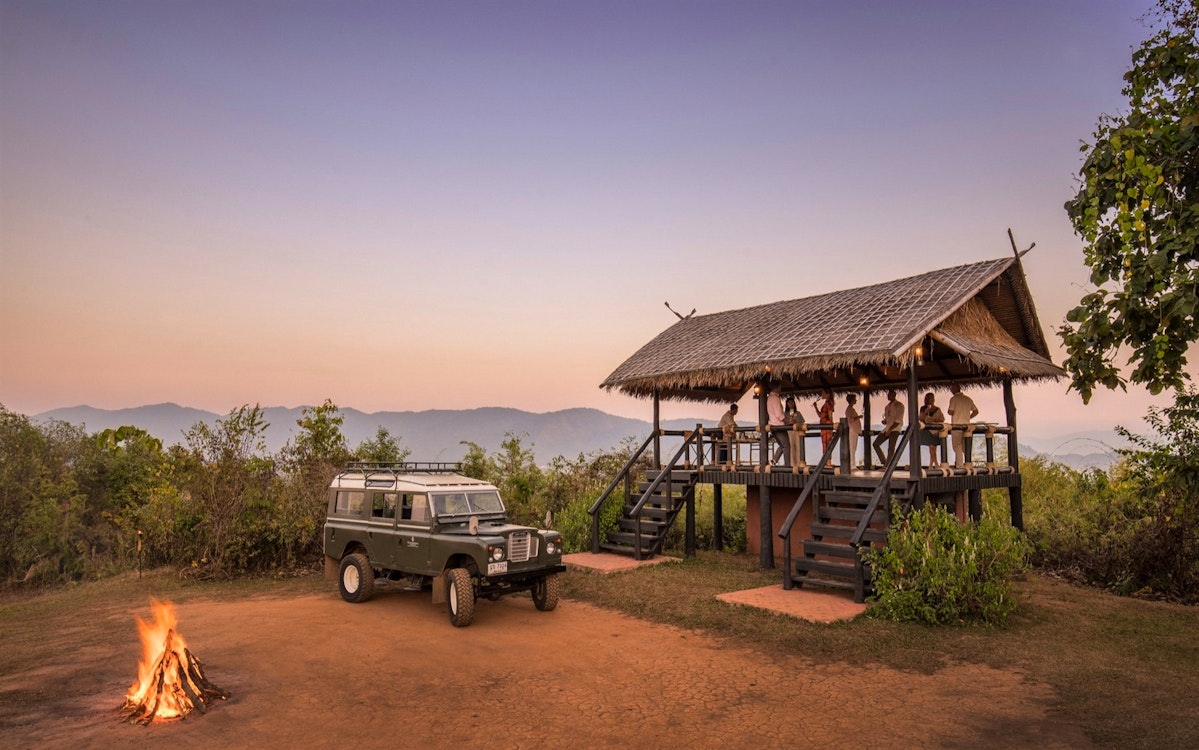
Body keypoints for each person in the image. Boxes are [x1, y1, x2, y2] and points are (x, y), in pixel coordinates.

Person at [947, 384, 979, 468]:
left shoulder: (954, 399)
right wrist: (968, 417)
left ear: (954, 390)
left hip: (957, 425)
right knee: (966, 446)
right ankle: (968, 463)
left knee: (957, 446)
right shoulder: (968, 399)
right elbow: (976, 411)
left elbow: (950, 411)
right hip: (967, 425)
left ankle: (959, 465)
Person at [873, 389, 905, 465]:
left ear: (894, 395)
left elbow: (898, 420)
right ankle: (884, 461)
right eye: (888, 395)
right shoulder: (887, 407)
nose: (888, 396)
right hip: (887, 428)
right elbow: (888, 418)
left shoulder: (899, 405)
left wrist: (890, 430)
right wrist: (885, 421)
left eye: (889, 395)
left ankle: (888, 465)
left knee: (891, 447)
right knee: (875, 444)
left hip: (895, 428)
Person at [918, 392, 946, 467]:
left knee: (933, 447)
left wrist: (934, 420)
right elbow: (920, 418)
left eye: (933, 398)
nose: (932, 400)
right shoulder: (923, 408)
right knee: (931, 447)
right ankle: (936, 464)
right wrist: (925, 412)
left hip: (934, 429)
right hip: (927, 429)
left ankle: (931, 465)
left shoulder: (937, 409)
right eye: (931, 398)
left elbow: (942, 419)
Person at [766, 386, 790, 466]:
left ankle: (774, 461)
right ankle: (787, 466)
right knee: (786, 446)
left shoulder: (769, 398)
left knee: (782, 445)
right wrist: (788, 420)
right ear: (777, 387)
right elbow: (779, 414)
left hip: (772, 425)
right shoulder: (775, 398)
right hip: (778, 425)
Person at [813, 389, 834, 454]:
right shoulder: (827, 403)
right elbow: (820, 415)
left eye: (823, 393)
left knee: (827, 442)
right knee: (825, 442)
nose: (821, 395)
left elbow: (830, 414)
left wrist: (831, 425)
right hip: (824, 425)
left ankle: (828, 461)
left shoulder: (829, 403)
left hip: (827, 424)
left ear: (827, 394)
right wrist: (815, 407)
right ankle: (827, 461)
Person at [844, 393, 861, 469]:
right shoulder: (849, 410)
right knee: (852, 447)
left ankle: (853, 464)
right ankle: (852, 465)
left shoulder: (851, 409)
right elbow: (850, 419)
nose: (856, 400)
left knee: (854, 447)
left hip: (854, 430)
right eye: (855, 399)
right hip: (852, 430)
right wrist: (858, 417)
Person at [784, 396, 801, 466]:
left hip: (796, 431)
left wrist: (795, 421)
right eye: (789, 403)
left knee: (797, 446)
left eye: (792, 402)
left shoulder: (798, 413)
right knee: (790, 447)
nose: (790, 404)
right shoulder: (785, 414)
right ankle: (791, 464)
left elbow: (802, 422)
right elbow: (783, 422)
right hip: (789, 432)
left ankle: (798, 463)